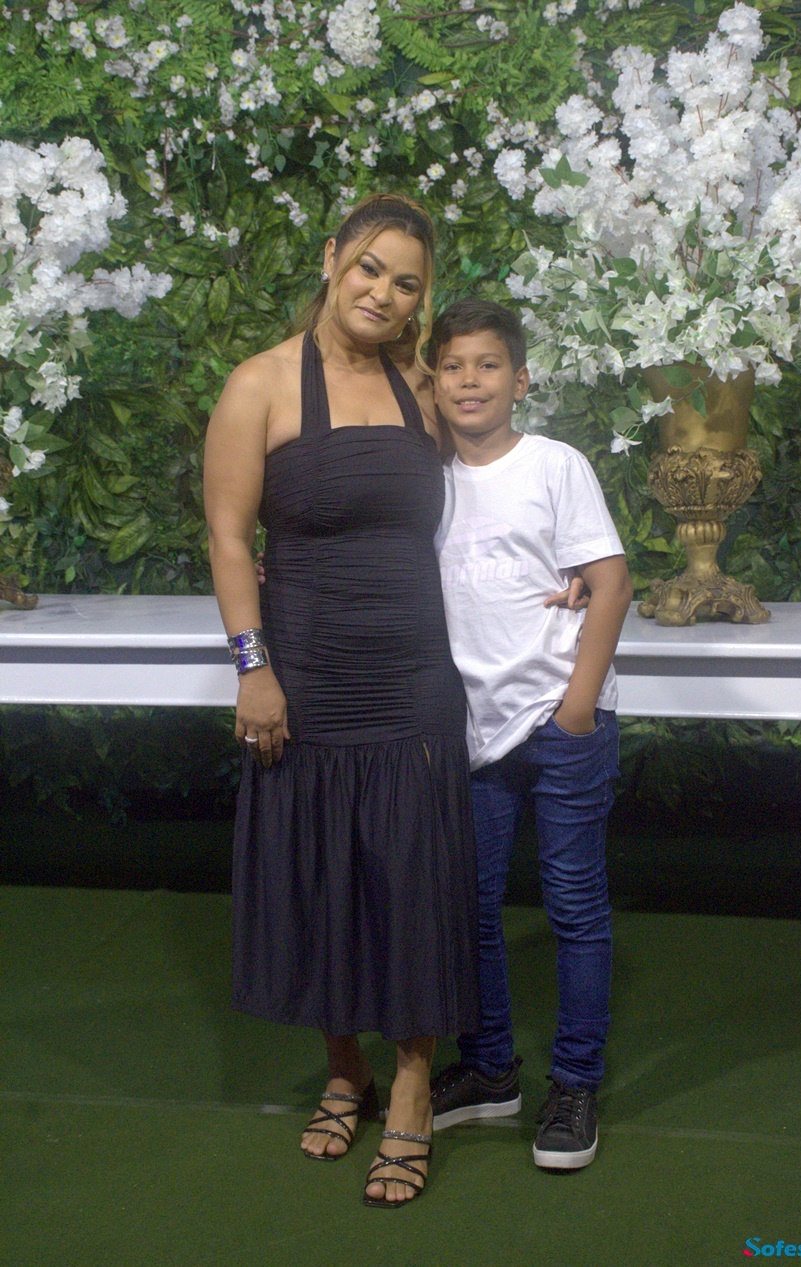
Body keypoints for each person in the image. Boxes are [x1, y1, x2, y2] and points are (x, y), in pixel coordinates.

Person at [203, 194, 481, 1209]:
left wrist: (571, 569)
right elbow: (228, 536)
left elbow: (492, 487)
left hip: (414, 673)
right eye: (369, 267)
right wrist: (253, 666)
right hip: (307, 673)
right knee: (320, 869)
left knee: (412, 876)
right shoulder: (261, 383)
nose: (384, 293)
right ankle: (344, 1067)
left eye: (407, 283)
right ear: (331, 259)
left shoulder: (423, 389)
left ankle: (410, 1089)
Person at [426, 298, 633, 1170]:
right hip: (474, 731)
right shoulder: (425, 481)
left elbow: (610, 581)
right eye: (452, 366)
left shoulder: (554, 464)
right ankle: (490, 1067)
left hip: (560, 722)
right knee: (470, 907)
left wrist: (576, 706)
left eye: (487, 365)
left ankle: (575, 1081)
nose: (469, 380)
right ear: (433, 381)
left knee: (573, 905)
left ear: (519, 380)